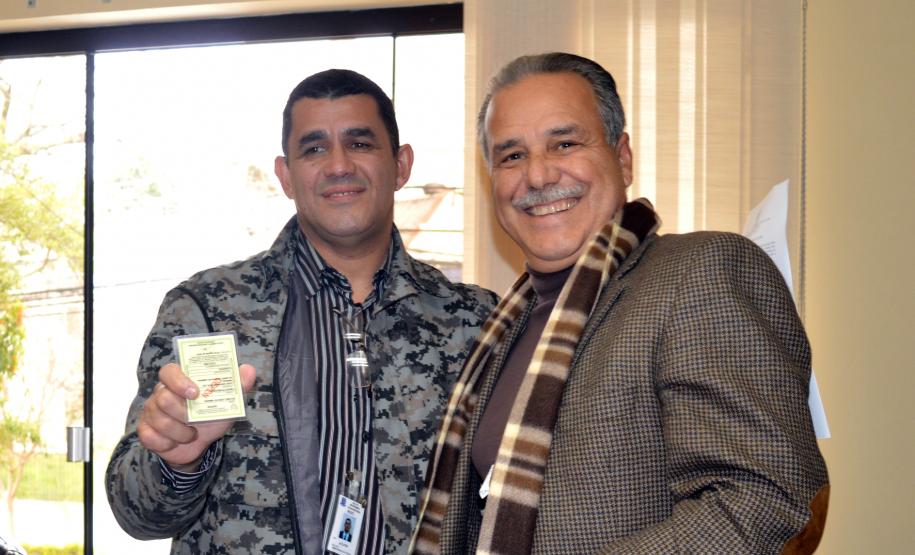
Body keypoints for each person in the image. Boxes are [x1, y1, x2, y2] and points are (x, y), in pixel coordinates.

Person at [412, 53, 829, 554]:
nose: (538, 175)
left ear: (623, 157)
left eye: (565, 143)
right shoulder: (506, 327)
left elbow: (767, 501)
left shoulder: (698, 272)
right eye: (513, 156)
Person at [105, 69, 497, 554]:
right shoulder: (210, 311)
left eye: (360, 144)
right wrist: (176, 464)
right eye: (314, 149)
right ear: (286, 176)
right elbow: (135, 515)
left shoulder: (475, 323)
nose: (338, 165)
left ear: (401, 165)